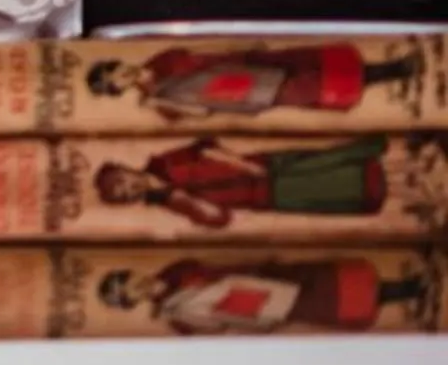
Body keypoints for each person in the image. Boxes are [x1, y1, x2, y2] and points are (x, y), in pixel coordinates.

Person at [92, 135, 389, 230]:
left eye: (123, 181)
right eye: (124, 194)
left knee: (324, 163)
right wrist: (185, 200)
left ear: (126, 170)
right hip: (261, 196)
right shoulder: (169, 202)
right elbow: (220, 218)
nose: (130, 188)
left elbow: (205, 148)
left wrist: (244, 164)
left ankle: (391, 160)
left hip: (260, 167)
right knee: (328, 191)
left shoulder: (164, 163)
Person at [98, 255, 432, 334]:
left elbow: (217, 268)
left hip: (263, 279)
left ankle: (405, 287)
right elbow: (218, 326)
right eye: (130, 294)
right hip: (261, 308)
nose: (138, 288)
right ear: (134, 302)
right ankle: (408, 293)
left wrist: (255, 269)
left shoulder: (176, 270)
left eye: (130, 281)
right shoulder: (174, 317)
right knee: (327, 301)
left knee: (330, 280)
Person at [87, 43, 419, 118]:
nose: (123, 75)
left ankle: (389, 67)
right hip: (241, 91)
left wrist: (240, 50)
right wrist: (158, 99)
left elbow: (201, 54)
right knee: (310, 85)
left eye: (116, 70)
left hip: (240, 64)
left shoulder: (159, 59)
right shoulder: (157, 100)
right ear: (120, 90)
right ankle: (394, 73)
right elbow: (201, 113)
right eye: (117, 82)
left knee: (312, 61)